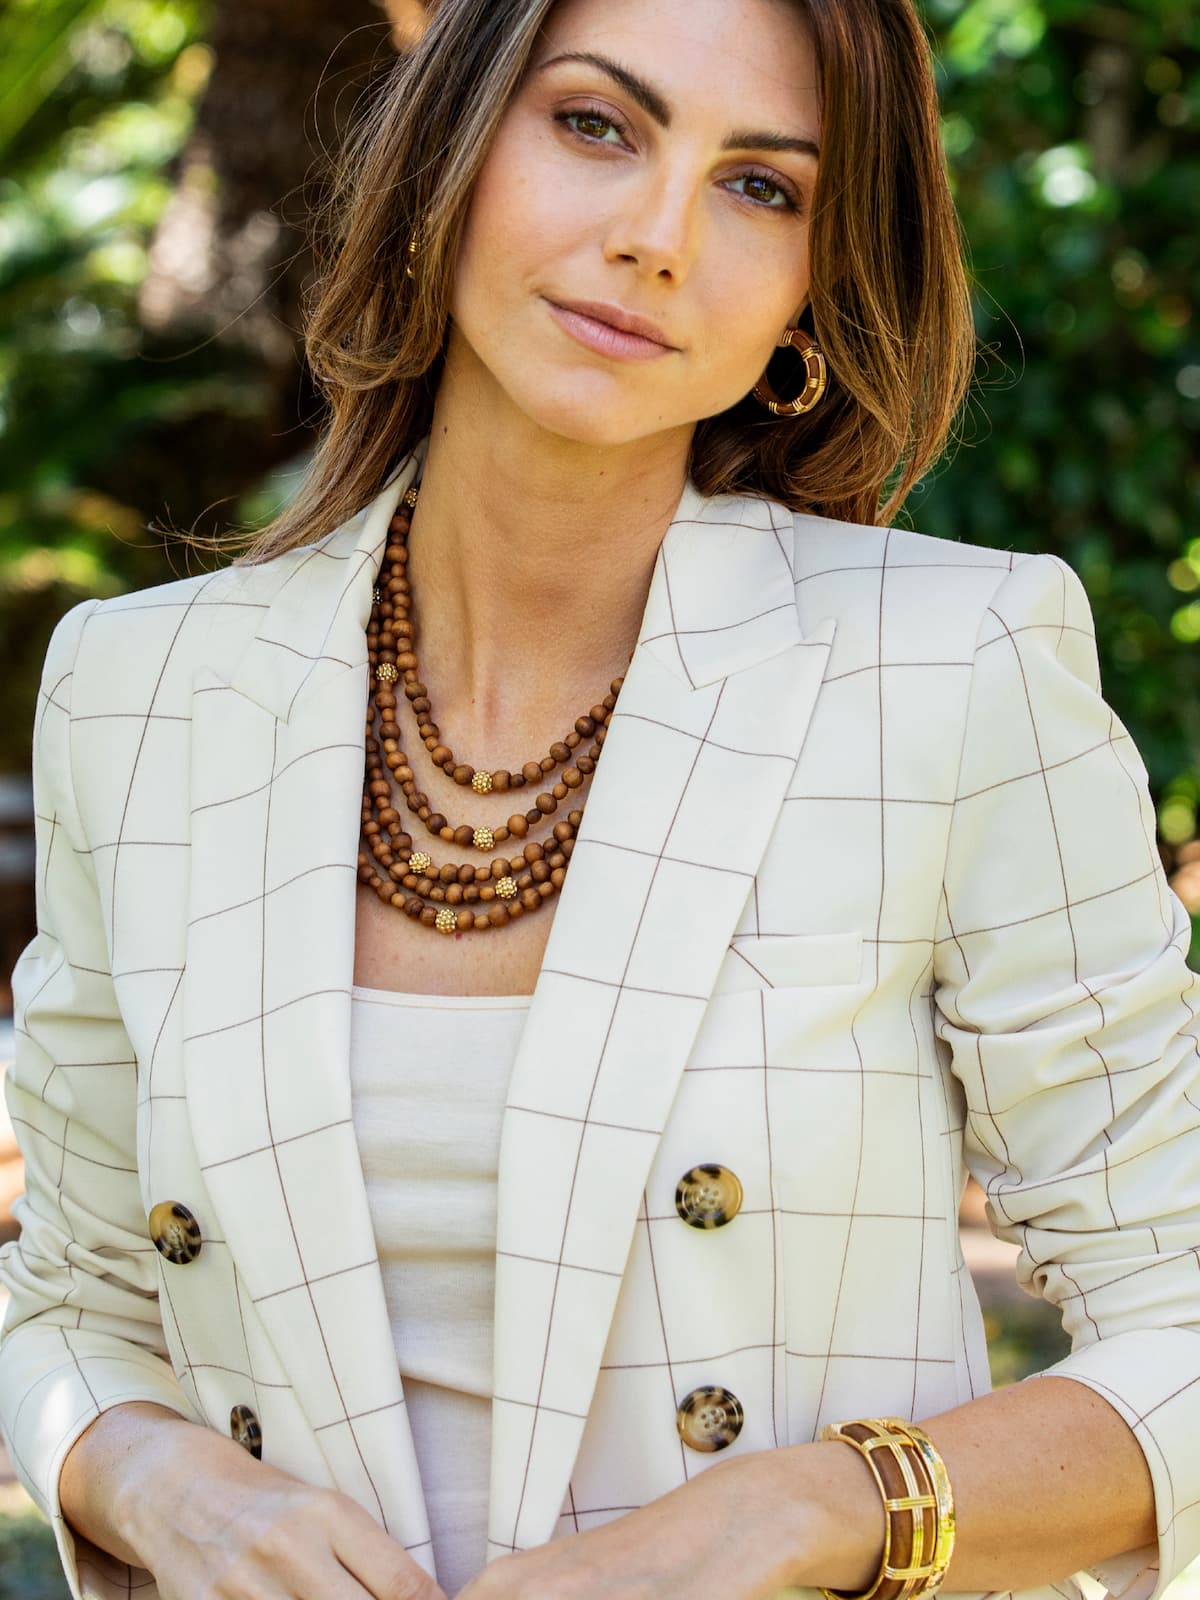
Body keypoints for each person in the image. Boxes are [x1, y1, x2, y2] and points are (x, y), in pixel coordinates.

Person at [2, 2, 1198, 1600]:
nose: (656, 237)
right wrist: (148, 1473)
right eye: (595, 126)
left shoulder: (952, 667)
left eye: (762, 187)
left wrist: (789, 1517)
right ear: (453, 152)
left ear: (807, 304)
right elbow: (71, 1292)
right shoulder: (137, 694)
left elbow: (1182, 1307)